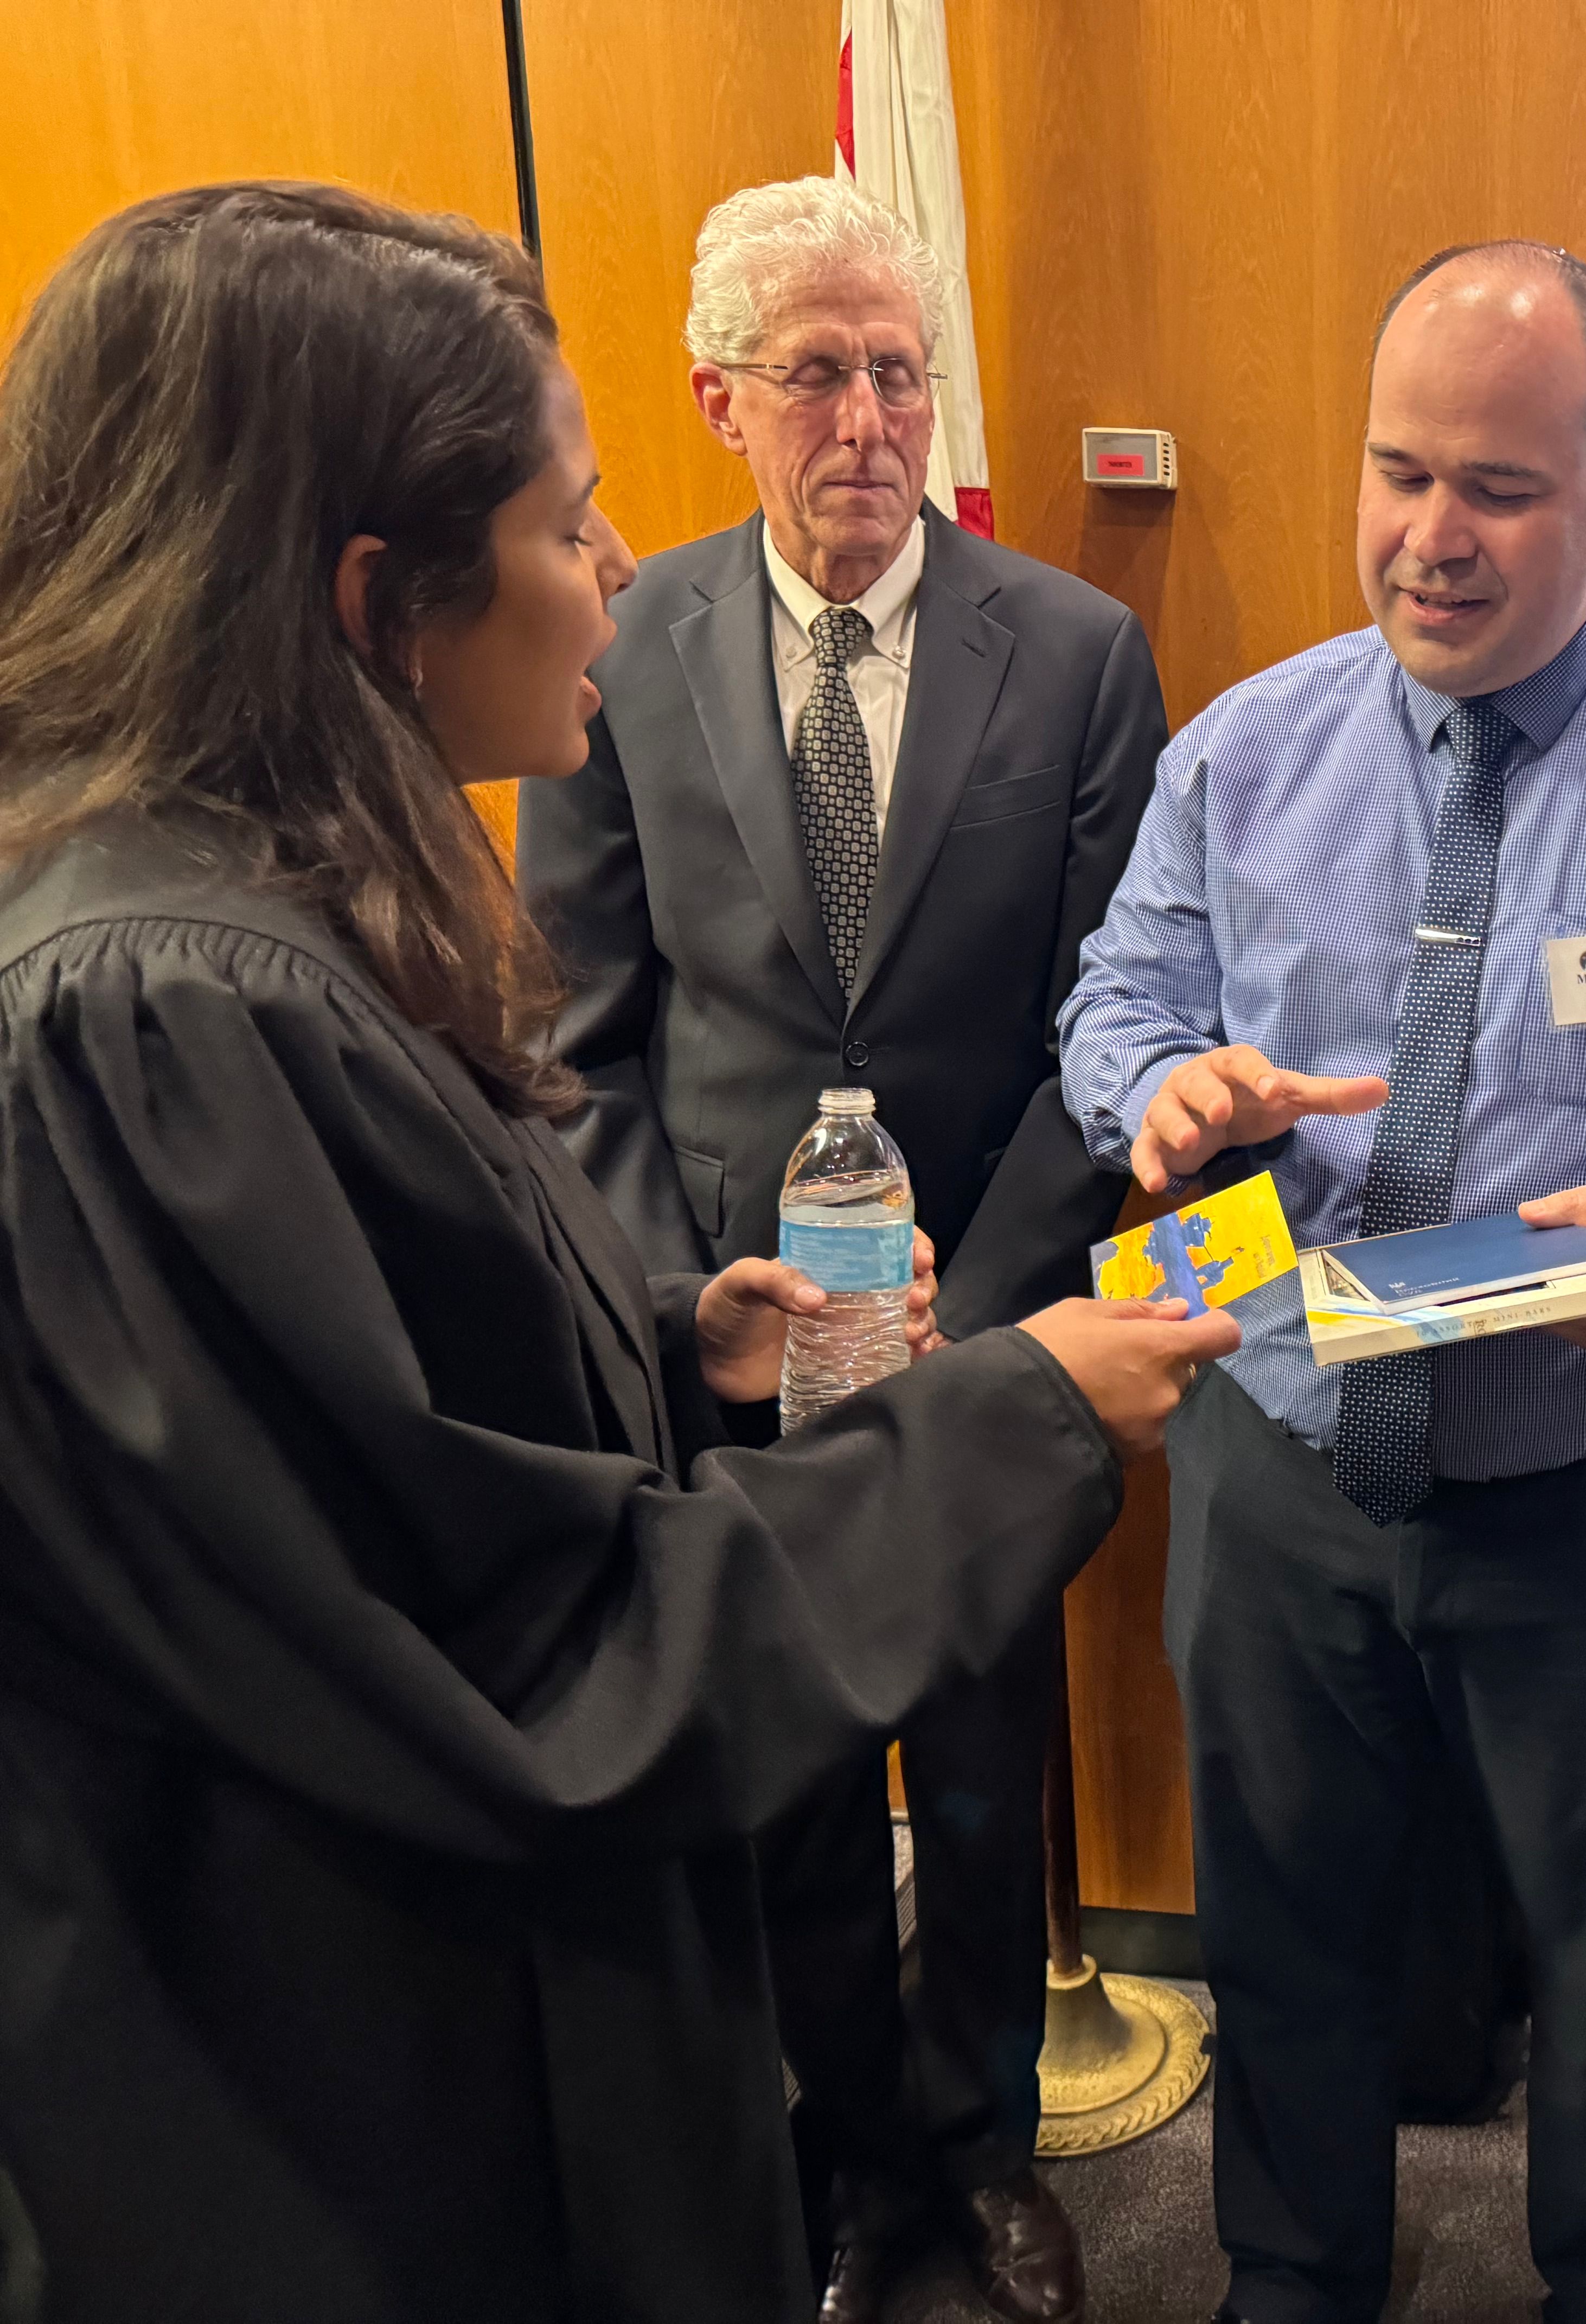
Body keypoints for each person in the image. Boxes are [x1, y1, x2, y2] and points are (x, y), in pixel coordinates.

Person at [0, 182, 1231, 2323]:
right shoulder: (163, 1022)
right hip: (356, 2147)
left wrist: (671, 1343)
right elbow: (540, 1678)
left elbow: (391, 1440)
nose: (620, 568)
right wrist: (1025, 1409)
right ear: (379, 597)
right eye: (571, 520)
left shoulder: (248, 934)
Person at [1058, 239, 1586, 2322]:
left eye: (1501, 490)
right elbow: (1116, 1000)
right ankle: (1291, 2283)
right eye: (1400, 472)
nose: (1431, 538)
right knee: (1285, 1938)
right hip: (1284, 1459)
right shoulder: (1244, 752)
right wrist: (1162, 1093)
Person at [519, 176, 1166, 2324]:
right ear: (723, 398)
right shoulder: (621, 646)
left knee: (982, 1786)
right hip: (739, 1347)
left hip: (980, 1331)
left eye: (901, 371)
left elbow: (1108, 1029)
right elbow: (580, 1033)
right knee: (787, 1787)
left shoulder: (1073, 654)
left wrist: (980, 1306)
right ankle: (851, 2151)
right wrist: (681, 1312)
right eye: (820, 374)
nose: (872, 421)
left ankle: (980, 2152)